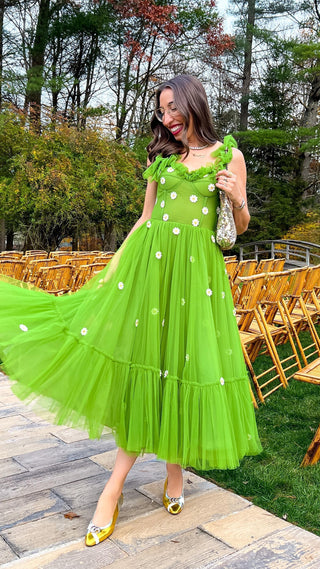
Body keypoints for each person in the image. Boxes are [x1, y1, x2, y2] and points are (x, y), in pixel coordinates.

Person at [0, 74, 261, 548]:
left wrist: (237, 197)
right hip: (149, 270)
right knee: (146, 367)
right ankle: (112, 490)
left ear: (191, 103)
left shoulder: (229, 155)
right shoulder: (160, 155)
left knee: (180, 364)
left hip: (196, 276)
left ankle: (174, 470)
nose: (166, 118)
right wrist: (115, 264)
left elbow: (236, 230)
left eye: (171, 108)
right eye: (161, 111)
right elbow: (146, 217)